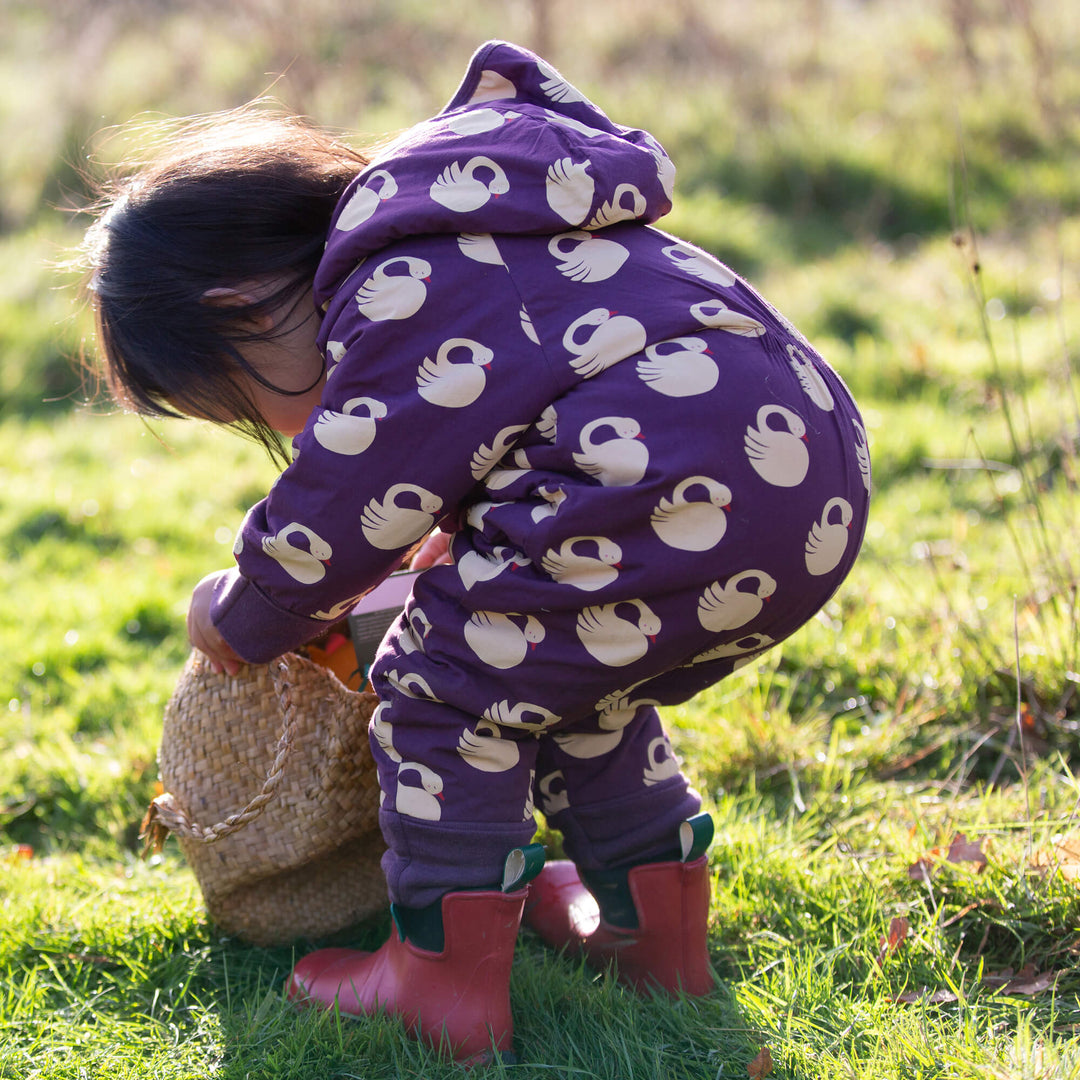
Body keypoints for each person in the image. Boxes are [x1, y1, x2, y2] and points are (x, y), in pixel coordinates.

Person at [83, 40, 871, 1065]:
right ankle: (651, 942)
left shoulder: (394, 285)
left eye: (244, 406)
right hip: (804, 480)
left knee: (445, 692)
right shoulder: (481, 227)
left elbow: (338, 510)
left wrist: (240, 611)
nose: (291, 427)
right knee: (568, 679)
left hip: (672, 490)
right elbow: (540, 406)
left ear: (236, 309)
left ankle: (441, 984)